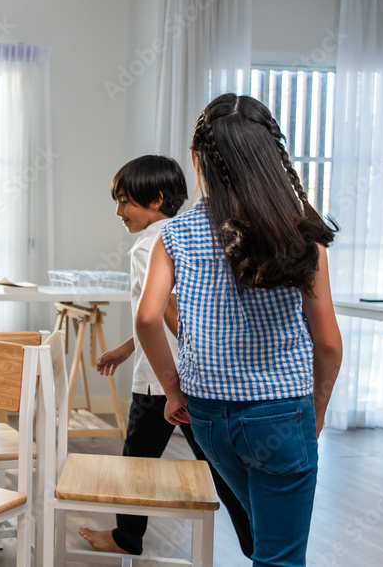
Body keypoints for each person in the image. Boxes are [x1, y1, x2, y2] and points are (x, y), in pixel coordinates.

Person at [137, 94, 342, 567]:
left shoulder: (173, 235)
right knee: (279, 554)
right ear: (271, 155)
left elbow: (148, 317)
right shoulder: (301, 236)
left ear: (196, 160)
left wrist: (172, 391)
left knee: (263, 535)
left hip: (208, 416)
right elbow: (328, 344)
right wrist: (318, 408)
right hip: (280, 413)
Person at [78, 155, 253, 558]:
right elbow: (159, 313)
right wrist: (126, 348)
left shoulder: (148, 245)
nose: (118, 211)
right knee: (221, 470)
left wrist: (184, 358)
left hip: (161, 383)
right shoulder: (189, 233)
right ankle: (258, 544)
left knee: (134, 466)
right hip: (192, 381)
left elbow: (162, 312)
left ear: (156, 199)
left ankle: (126, 538)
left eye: (125, 201)